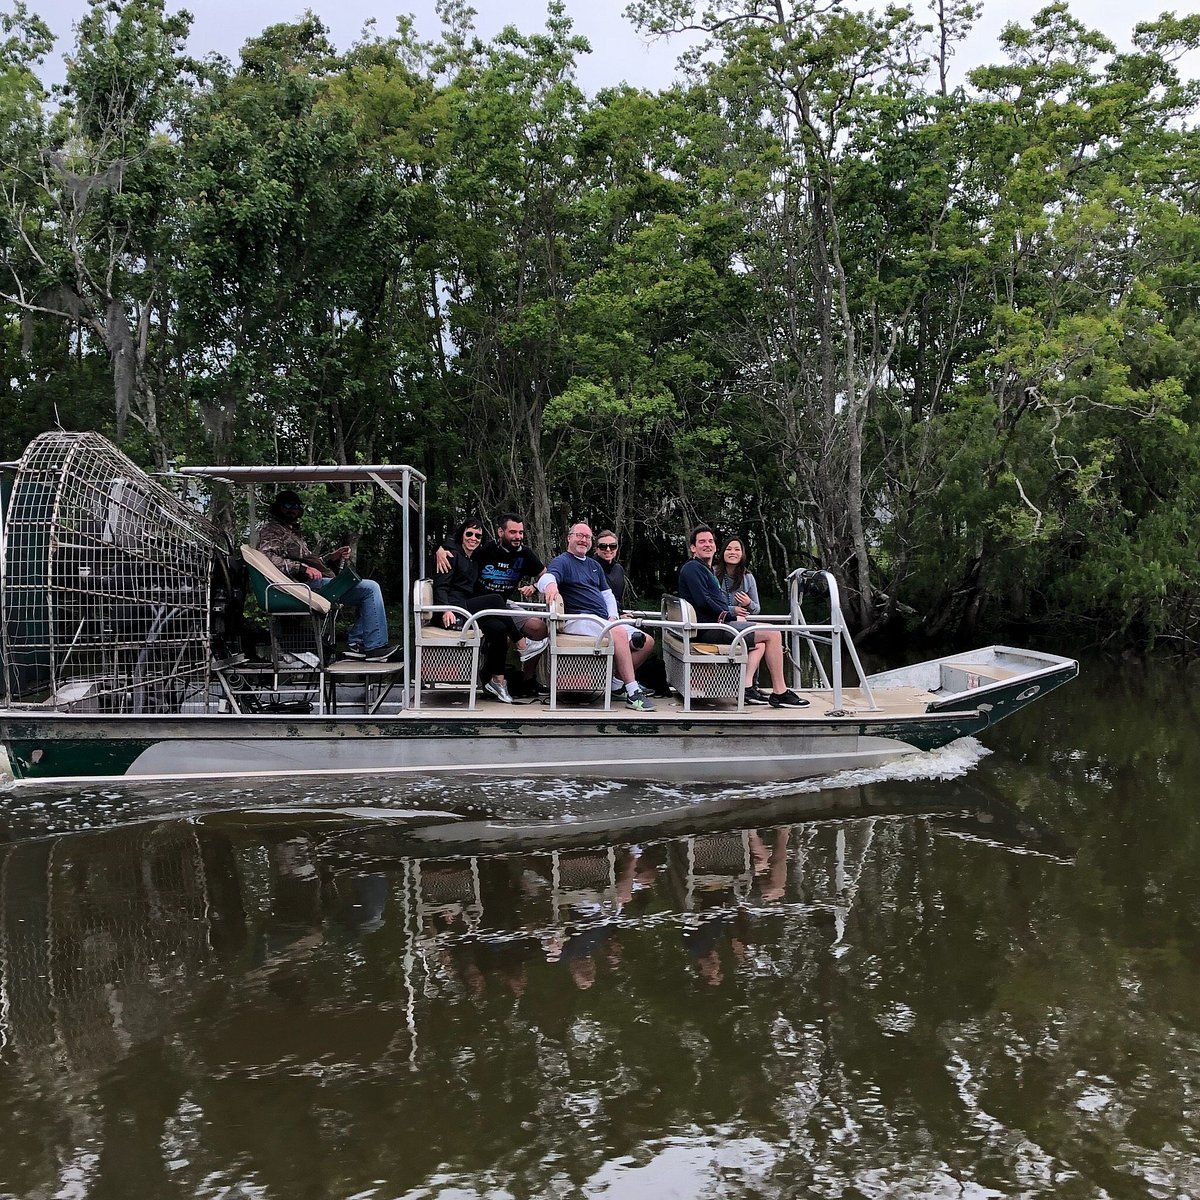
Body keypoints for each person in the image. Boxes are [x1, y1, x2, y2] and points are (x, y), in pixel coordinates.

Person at [257, 490, 399, 662]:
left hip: (313, 582)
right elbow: (268, 558)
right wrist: (301, 568)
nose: (292, 510)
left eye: (296, 506)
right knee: (369, 589)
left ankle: (358, 643)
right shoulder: (272, 531)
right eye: (287, 505)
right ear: (278, 507)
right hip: (302, 587)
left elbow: (311, 562)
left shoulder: (294, 532)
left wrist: (332, 557)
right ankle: (373, 646)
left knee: (364, 589)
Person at [677, 525, 806, 708]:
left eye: (710, 541)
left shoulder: (705, 569)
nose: (707, 545)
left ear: (715, 546)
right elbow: (702, 601)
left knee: (764, 639)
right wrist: (729, 614)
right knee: (773, 634)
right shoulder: (693, 568)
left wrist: (736, 612)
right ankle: (780, 692)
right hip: (710, 628)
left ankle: (749, 687)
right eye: (702, 542)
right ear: (693, 547)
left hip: (717, 625)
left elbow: (744, 606)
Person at [537, 521, 656, 711]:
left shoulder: (594, 565)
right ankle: (633, 693)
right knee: (617, 634)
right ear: (569, 538)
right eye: (579, 535)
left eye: (587, 537)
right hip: (577, 619)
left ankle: (616, 685)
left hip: (601, 620)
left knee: (646, 641)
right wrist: (550, 585)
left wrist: (613, 617)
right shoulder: (563, 561)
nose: (583, 540)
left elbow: (607, 595)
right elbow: (546, 578)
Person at [435, 513, 549, 703]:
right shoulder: (458, 554)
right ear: (500, 532)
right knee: (497, 609)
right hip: (468, 606)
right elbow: (442, 583)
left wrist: (536, 586)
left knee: (518, 628)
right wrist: (440, 548)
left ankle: (514, 680)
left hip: (494, 605)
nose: (473, 539)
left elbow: (545, 573)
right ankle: (520, 646)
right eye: (513, 532)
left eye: (477, 536)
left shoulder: (475, 556)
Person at [593, 527, 656, 693]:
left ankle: (617, 682)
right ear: (596, 549)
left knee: (644, 641)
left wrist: (620, 614)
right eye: (603, 546)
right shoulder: (591, 567)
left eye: (612, 546)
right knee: (632, 640)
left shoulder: (618, 569)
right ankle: (625, 684)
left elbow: (615, 598)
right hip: (598, 619)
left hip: (616, 618)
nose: (608, 550)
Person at [717, 536, 763, 690]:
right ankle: (747, 687)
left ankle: (747, 684)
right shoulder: (713, 573)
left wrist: (748, 603)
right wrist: (733, 610)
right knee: (766, 637)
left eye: (737, 549)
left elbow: (757, 609)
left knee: (761, 644)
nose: (733, 552)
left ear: (742, 554)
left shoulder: (748, 577)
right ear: (723, 552)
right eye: (729, 549)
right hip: (720, 625)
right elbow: (709, 604)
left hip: (741, 626)